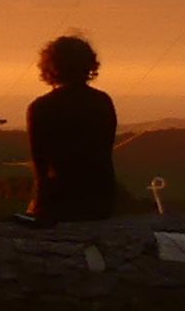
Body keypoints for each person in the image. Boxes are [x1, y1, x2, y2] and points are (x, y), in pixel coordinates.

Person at [22, 31, 119, 225]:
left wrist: (38, 205)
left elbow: (40, 165)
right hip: (99, 199)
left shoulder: (41, 107)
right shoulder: (102, 102)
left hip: (59, 201)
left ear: (51, 68)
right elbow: (104, 152)